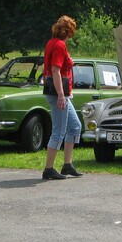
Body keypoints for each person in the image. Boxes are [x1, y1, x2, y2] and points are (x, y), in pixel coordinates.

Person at [41, 15, 83, 180]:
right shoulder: (59, 45)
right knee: (59, 131)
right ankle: (48, 169)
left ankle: (67, 165)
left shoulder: (51, 43)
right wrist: (60, 95)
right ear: (68, 31)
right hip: (59, 93)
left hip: (60, 93)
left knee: (75, 126)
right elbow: (55, 70)